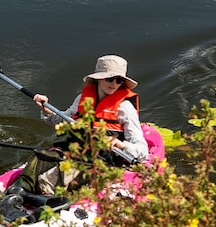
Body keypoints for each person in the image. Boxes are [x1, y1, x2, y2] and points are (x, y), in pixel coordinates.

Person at [27, 55, 148, 194]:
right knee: (39, 156)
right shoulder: (82, 99)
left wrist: (121, 145)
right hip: (75, 154)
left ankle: (46, 200)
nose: (114, 83)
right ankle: (19, 189)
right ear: (99, 78)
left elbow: (142, 151)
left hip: (103, 163)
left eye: (119, 80)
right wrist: (46, 109)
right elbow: (62, 122)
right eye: (109, 78)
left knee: (53, 178)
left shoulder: (125, 108)